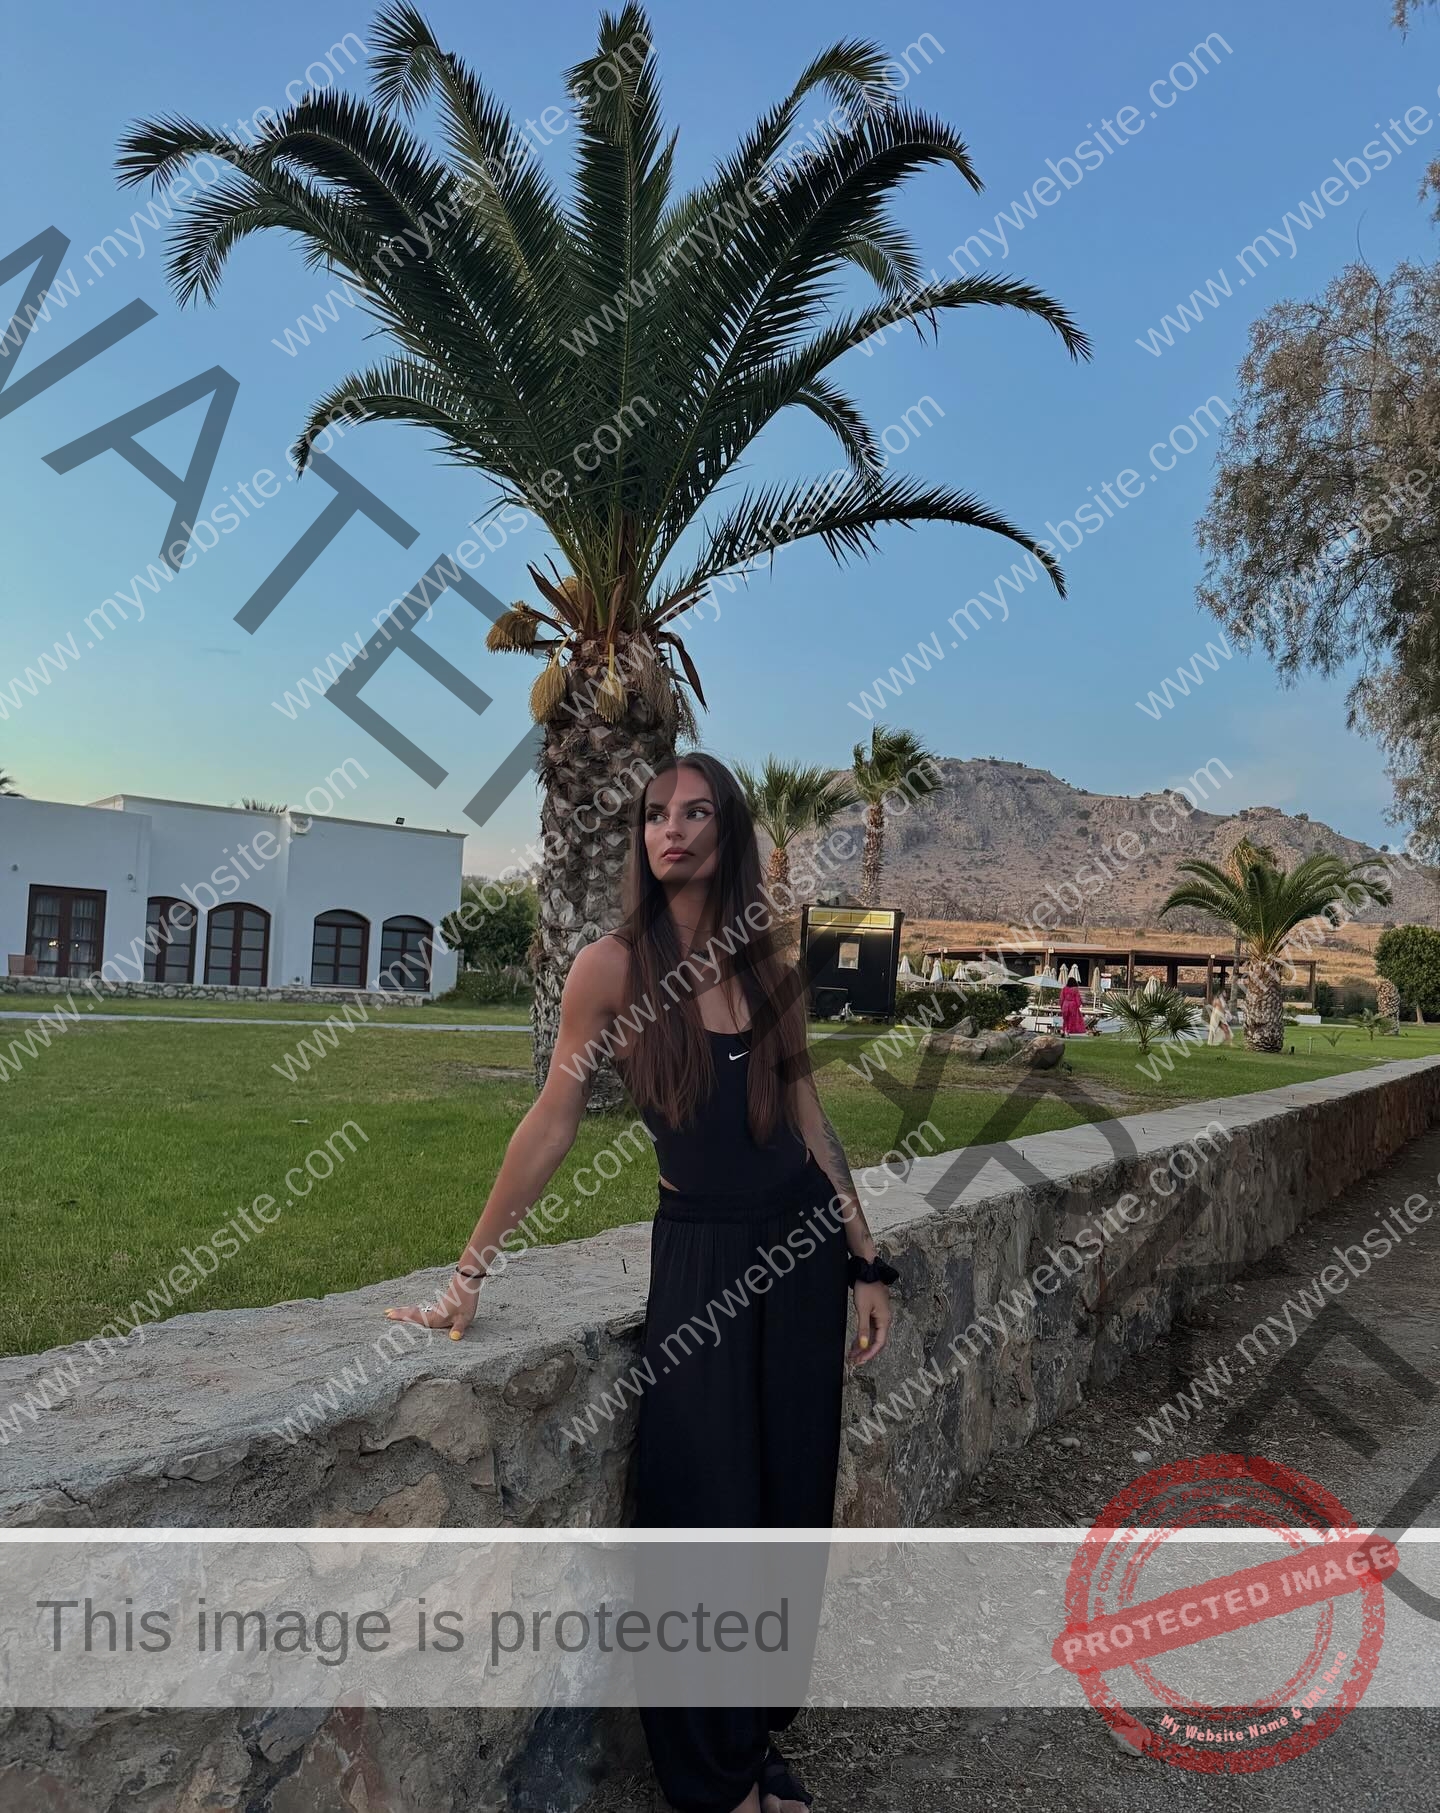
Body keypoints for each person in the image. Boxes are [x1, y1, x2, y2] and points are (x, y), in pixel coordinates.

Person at [384, 751, 898, 1813]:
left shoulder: (765, 966)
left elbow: (809, 1121)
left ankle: (750, 1737)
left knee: (785, 1508)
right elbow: (551, 1123)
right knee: (704, 1508)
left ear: (729, 830)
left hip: (799, 1257)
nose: (671, 829)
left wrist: (863, 1254)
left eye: (695, 812)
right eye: (655, 813)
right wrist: (468, 1272)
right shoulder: (609, 967)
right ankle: (711, 1781)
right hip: (703, 1259)